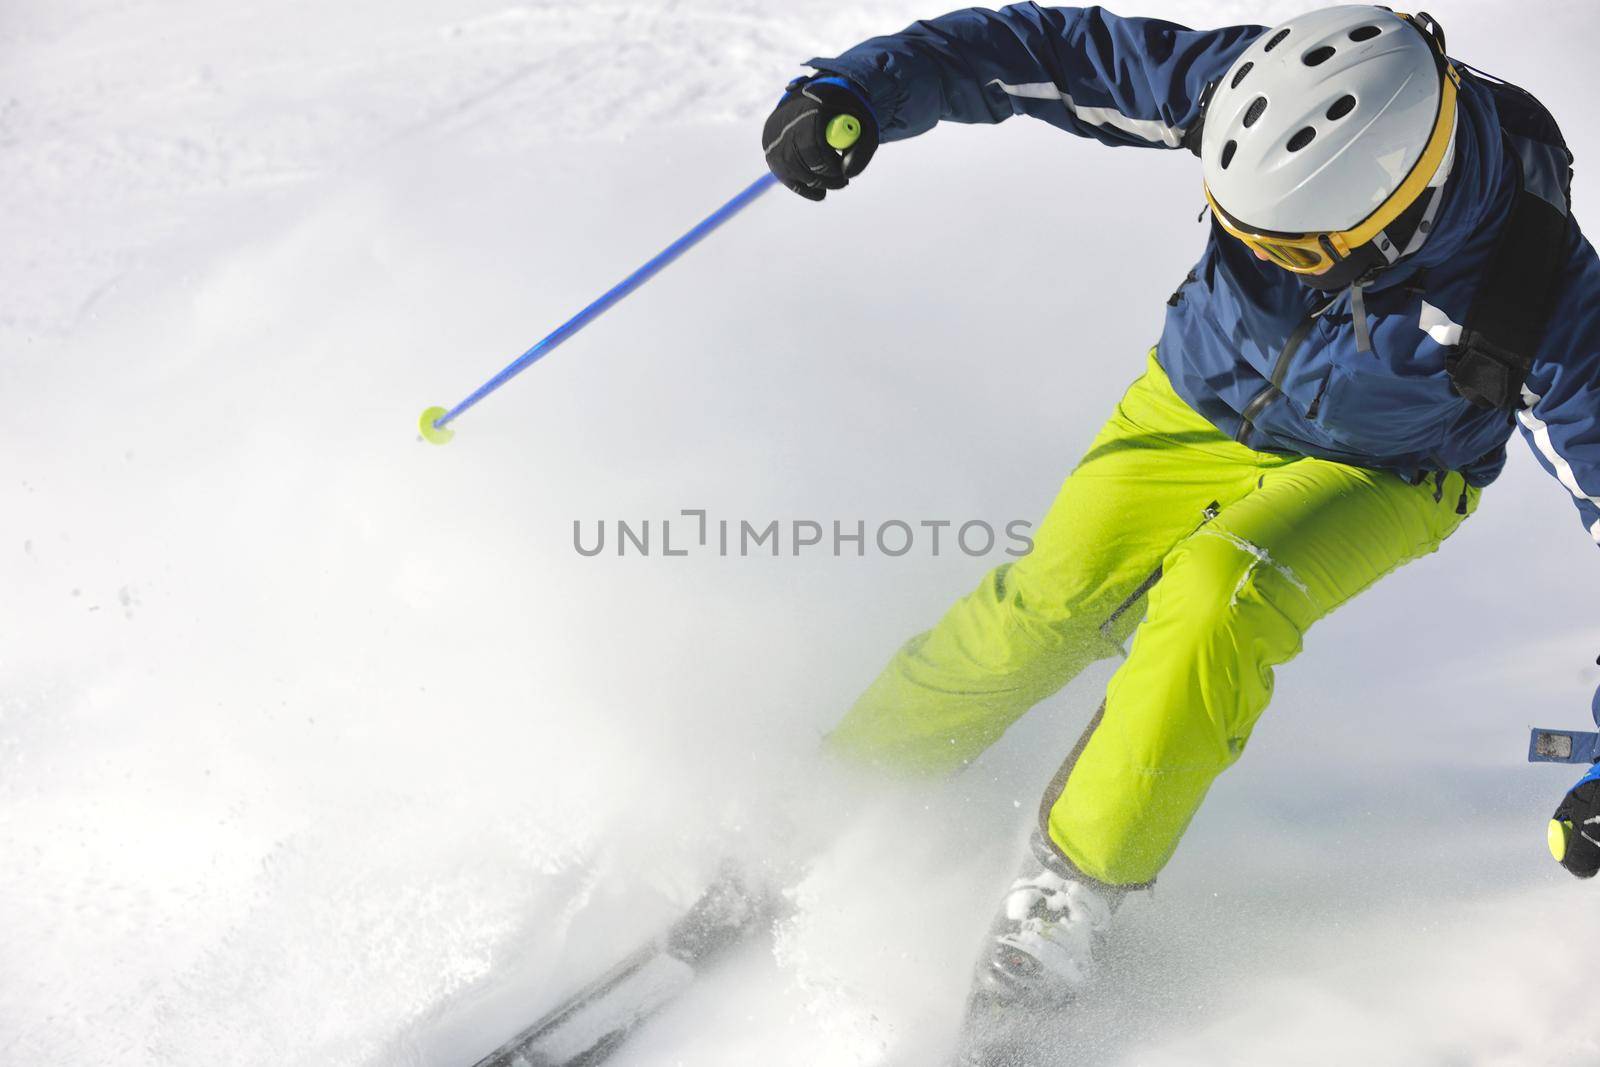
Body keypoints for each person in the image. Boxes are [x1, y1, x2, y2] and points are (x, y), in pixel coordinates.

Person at [762, 4, 1600, 1006]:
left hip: (1388, 469)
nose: (1257, 261)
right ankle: (839, 788)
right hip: (1197, 396)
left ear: (1391, 218)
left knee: (1217, 597)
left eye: (1285, 254)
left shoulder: (1540, 295)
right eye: (1234, 233)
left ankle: (1069, 893)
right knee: (1050, 599)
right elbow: (1036, 51)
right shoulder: (1259, 85)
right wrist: (858, 90)